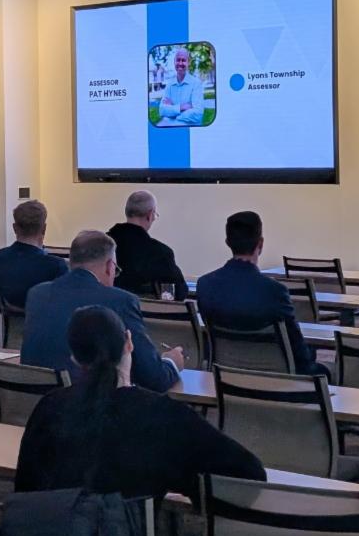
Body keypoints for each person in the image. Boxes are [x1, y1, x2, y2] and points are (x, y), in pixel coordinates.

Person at [16, 306, 264, 505]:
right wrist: (184, 481)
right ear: (129, 342)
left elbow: (25, 489)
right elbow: (249, 475)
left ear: (74, 358)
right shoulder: (164, 416)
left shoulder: (50, 407)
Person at [22, 230, 181, 392]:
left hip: (30, 401)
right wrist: (172, 362)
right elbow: (154, 378)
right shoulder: (121, 301)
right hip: (89, 403)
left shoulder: (37, 294)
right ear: (110, 267)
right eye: (116, 271)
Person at [193, 211, 326, 377]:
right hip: (278, 384)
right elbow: (298, 352)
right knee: (325, 371)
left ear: (228, 243)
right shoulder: (275, 291)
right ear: (261, 243)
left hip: (226, 381)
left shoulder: (205, 285)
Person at [0, 200, 68, 311]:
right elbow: (63, 303)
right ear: (44, 229)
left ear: (15, 228)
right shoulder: (56, 266)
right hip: (43, 320)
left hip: (10, 320)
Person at [106, 190, 187, 299]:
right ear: (150, 215)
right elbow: (179, 292)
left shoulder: (101, 246)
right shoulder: (160, 252)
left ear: (126, 211)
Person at [157, 48, 206, 124]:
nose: (180, 63)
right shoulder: (169, 84)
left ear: (188, 63)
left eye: (183, 60)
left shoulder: (196, 83)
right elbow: (162, 110)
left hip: (190, 129)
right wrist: (181, 107)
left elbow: (198, 114)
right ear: (174, 62)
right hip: (171, 128)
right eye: (178, 60)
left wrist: (174, 113)